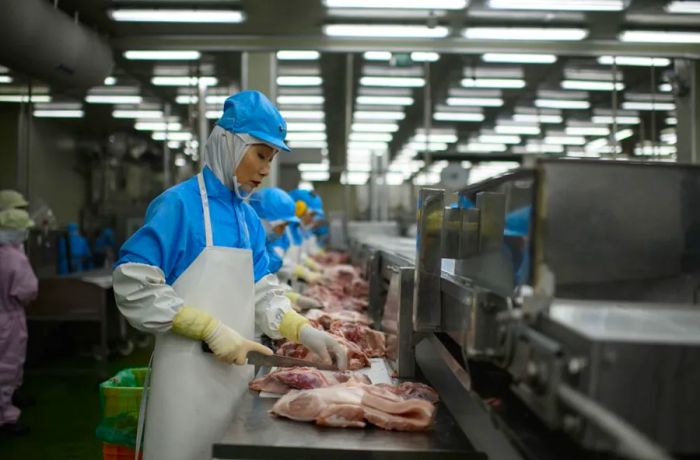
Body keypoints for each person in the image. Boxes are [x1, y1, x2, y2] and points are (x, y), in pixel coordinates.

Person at [112, 90, 347, 460]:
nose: (265, 169)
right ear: (229, 144)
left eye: (271, 158)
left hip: (237, 378)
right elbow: (133, 282)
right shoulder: (179, 206)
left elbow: (263, 291)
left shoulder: (249, 219)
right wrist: (205, 327)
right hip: (184, 384)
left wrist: (303, 330)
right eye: (260, 154)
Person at [249, 188, 323, 310]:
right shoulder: (254, 245)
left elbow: (269, 279)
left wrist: (287, 295)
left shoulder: (269, 242)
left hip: (273, 301)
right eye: (312, 214)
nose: (312, 219)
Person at [0, 209, 38, 439]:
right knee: (6, 367)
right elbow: (27, 291)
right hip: (9, 319)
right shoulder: (16, 258)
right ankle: (5, 419)